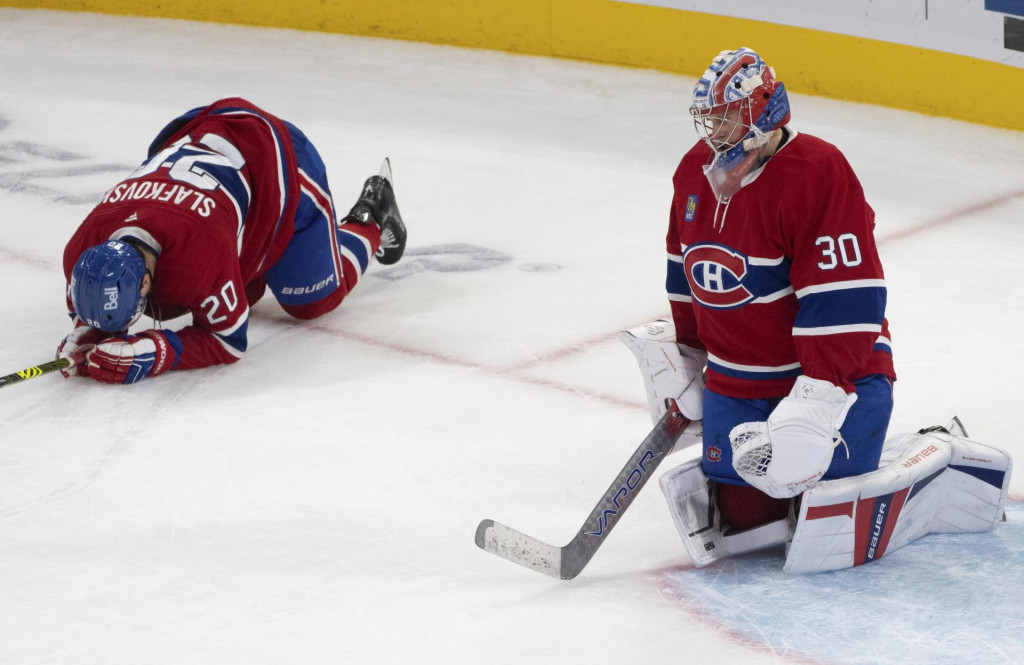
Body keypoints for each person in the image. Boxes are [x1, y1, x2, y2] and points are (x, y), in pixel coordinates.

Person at [621, 48, 1010, 572]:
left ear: (762, 107)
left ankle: (934, 460)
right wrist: (693, 355)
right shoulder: (694, 171)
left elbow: (846, 296)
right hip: (741, 380)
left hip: (833, 376)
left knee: (821, 511)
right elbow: (684, 270)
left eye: (726, 117)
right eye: (708, 120)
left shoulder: (819, 172)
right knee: (746, 519)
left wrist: (816, 399)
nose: (713, 132)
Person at [57, 96, 407, 384]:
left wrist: (157, 352)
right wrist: (86, 330)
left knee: (312, 302)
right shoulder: (79, 250)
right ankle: (254, 259)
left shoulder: (198, 257)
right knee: (244, 291)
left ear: (146, 280)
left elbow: (229, 342)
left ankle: (372, 216)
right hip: (201, 138)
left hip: (279, 159)